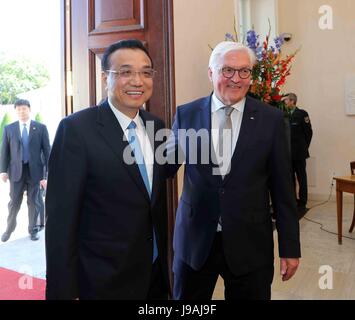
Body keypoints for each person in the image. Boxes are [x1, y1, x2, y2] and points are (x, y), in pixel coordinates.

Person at [166, 41, 301, 300]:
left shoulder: (271, 120)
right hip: (195, 242)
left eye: (244, 71)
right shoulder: (187, 115)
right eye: (227, 70)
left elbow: (283, 189)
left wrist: (290, 247)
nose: (236, 79)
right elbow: (165, 167)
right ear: (211, 73)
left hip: (250, 244)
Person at [45, 39, 169, 300]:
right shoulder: (76, 130)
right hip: (102, 281)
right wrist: (63, 291)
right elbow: (60, 221)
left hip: (154, 275)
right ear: (105, 78)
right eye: (125, 72)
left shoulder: (157, 127)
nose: (138, 81)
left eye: (146, 72)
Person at [0, 99, 50, 242]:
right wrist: (3, 170)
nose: (21, 111)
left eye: (24, 109)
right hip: (16, 172)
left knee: (33, 202)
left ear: (29, 109)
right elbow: (4, 152)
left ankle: (33, 229)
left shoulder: (40, 128)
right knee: (14, 202)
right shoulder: (9, 129)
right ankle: (9, 229)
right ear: (16, 111)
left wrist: (46, 175)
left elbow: (47, 152)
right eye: (19, 109)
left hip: (35, 172)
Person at [284, 93, 313, 214]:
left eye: (286, 101)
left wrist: (303, 147)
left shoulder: (302, 114)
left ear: (292, 101)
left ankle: (302, 202)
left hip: (299, 153)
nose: (284, 103)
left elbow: (309, 133)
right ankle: (293, 200)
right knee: (290, 178)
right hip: (288, 154)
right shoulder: (283, 115)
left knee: (302, 178)